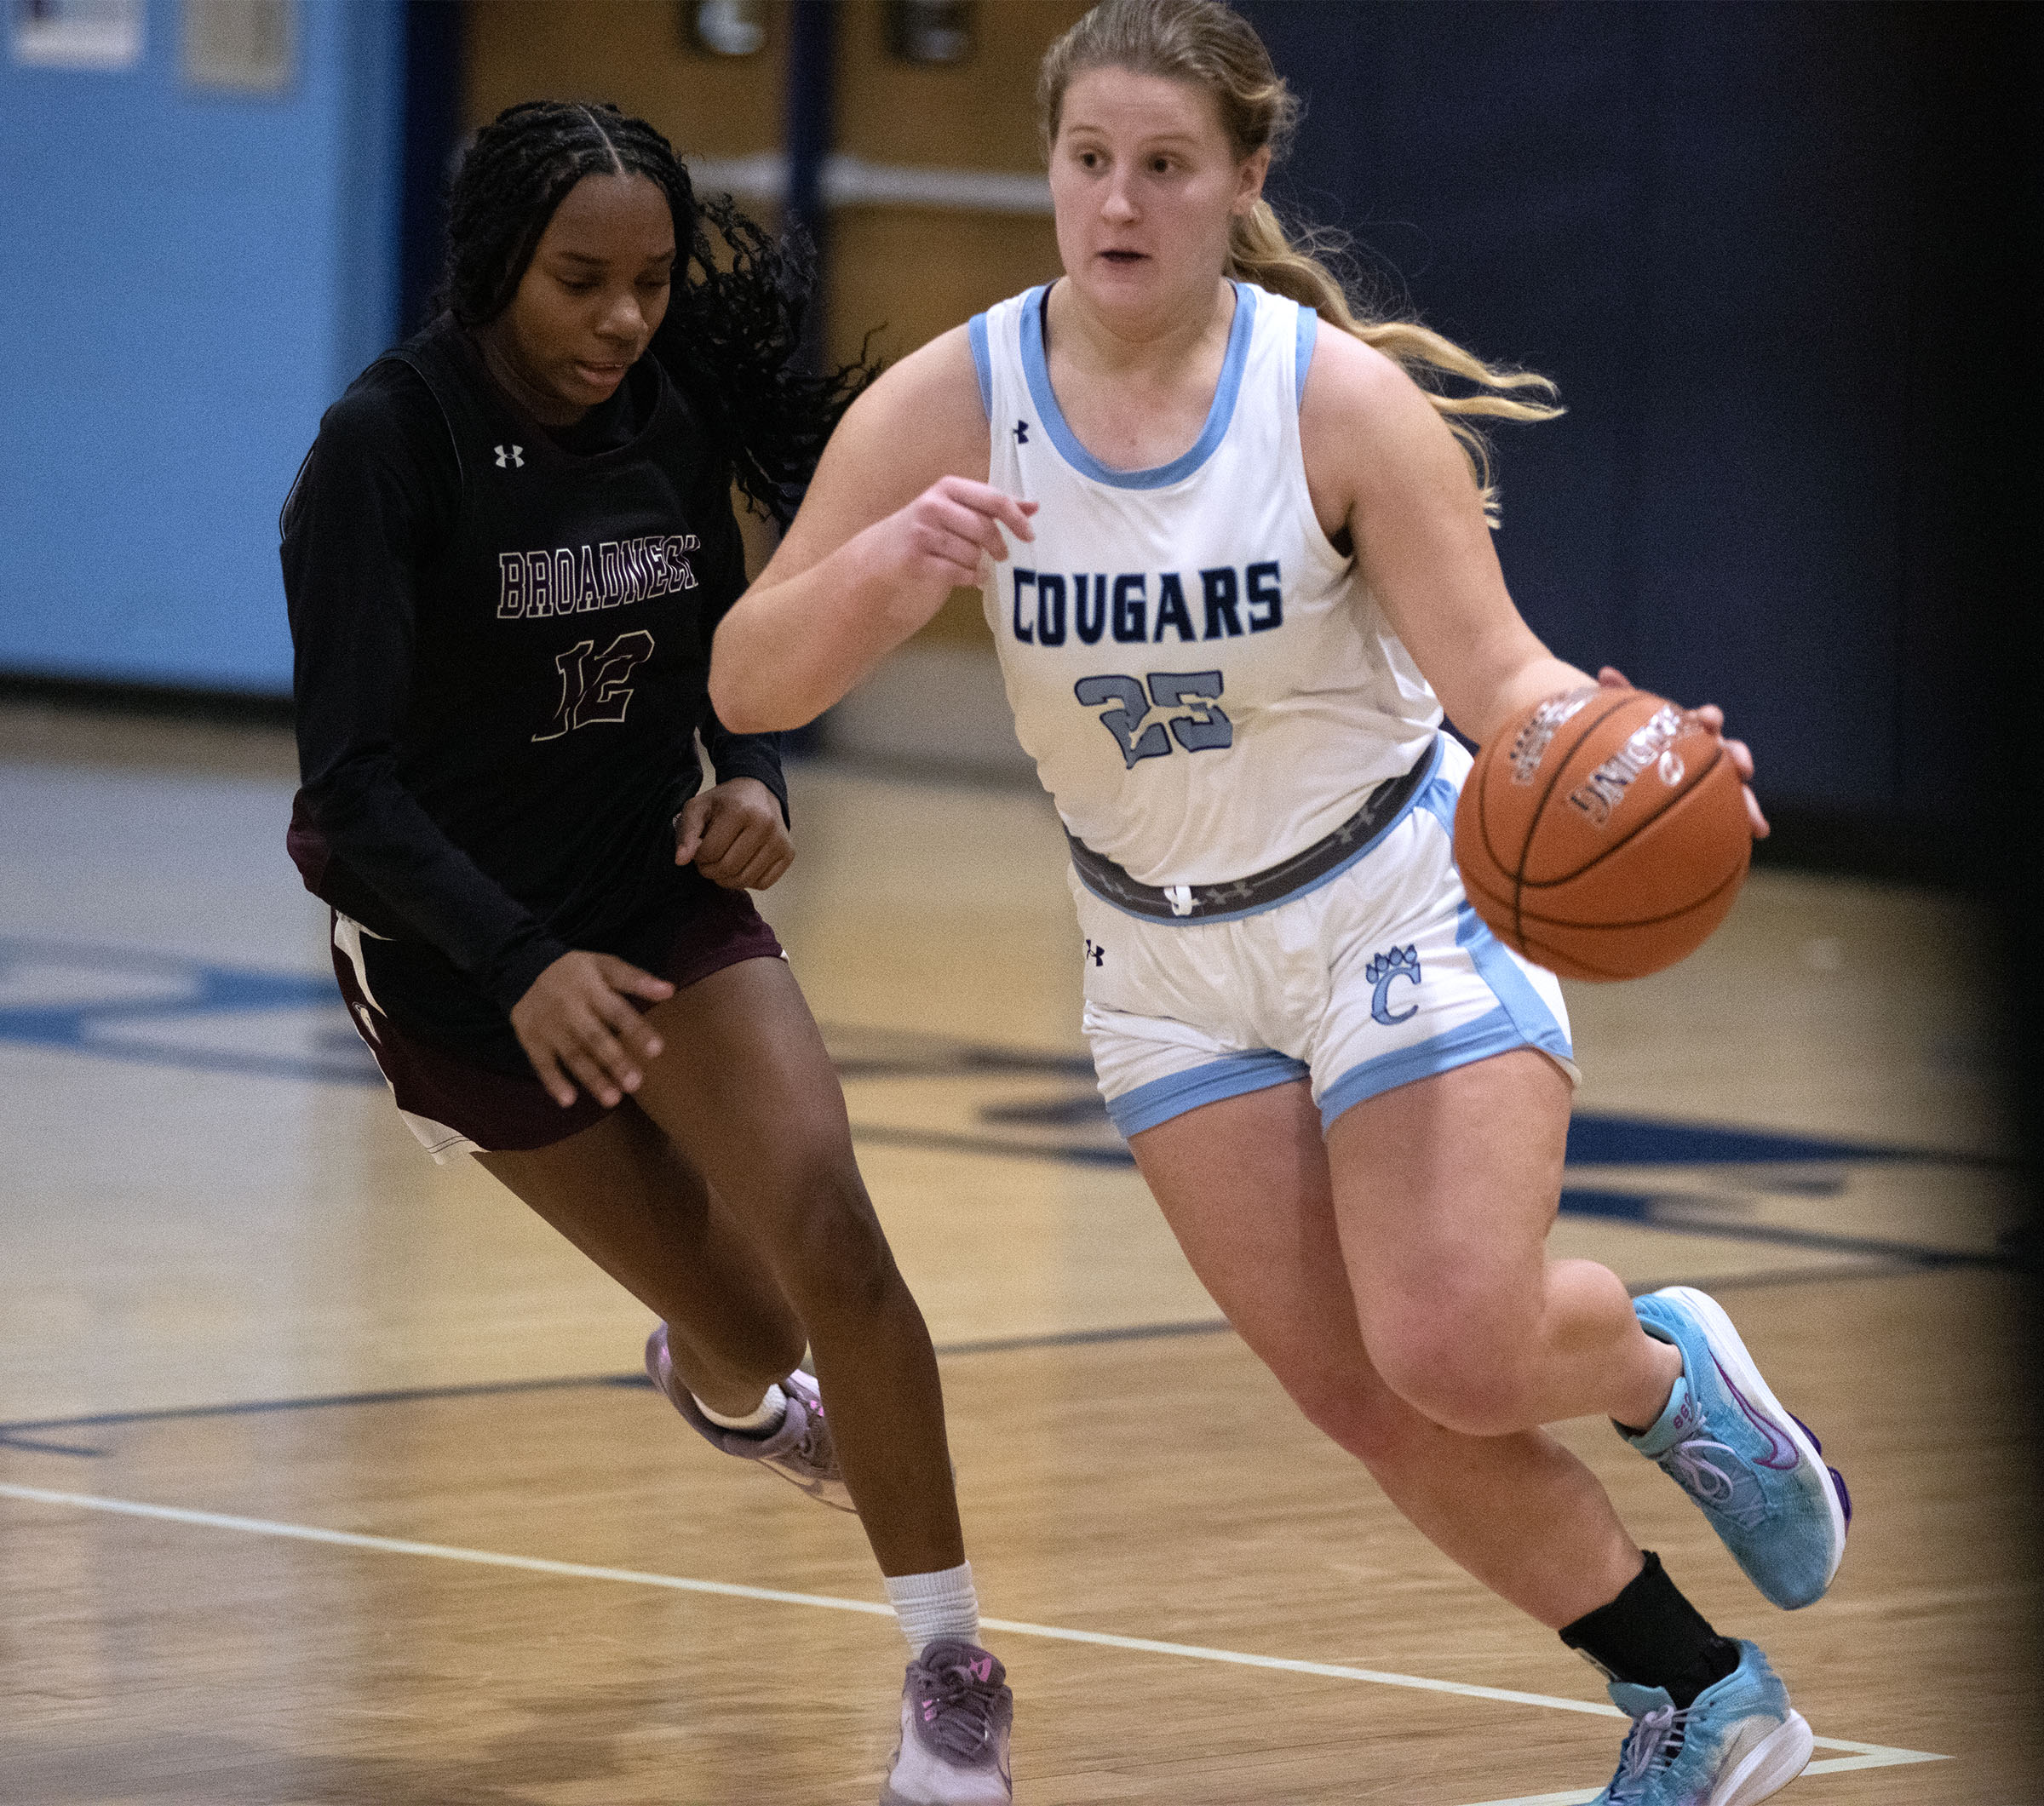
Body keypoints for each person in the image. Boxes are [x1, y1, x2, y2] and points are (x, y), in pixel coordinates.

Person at [708, 5, 1850, 1802]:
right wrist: (889, 563)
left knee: (1455, 1339)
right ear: (1050, 169)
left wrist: (1652, 754)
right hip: (1161, 959)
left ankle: (1662, 1369)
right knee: (1361, 1394)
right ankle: (1706, 1698)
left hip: (1391, 896)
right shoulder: (956, 398)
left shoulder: (1333, 402)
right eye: (1090, 160)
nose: (1120, 200)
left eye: (1165, 165)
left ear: (1243, 178)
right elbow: (750, 677)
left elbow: (1502, 676)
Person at [281, 100, 1013, 1806]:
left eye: (653, 282)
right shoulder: (386, 448)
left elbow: (722, 655)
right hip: (458, 965)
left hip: (647, 896)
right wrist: (518, 960)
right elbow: (346, 799)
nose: (623, 319)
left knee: (836, 1236)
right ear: (494, 266)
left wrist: (751, 774)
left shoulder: (666, 414)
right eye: (580, 281)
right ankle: (728, 1380)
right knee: (748, 1324)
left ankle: (952, 1676)